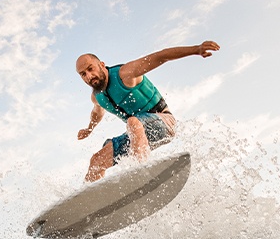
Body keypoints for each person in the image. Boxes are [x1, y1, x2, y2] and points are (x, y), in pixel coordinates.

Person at [75, 41, 220, 181]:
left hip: (164, 123)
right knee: (96, 161)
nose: (88, 76)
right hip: (137, 135)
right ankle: (87, 203)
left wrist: (196, 49)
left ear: (101, 65)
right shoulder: (97, 97)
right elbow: (97, 112)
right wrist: (89, 129)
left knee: (133, 122)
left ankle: (141, 175)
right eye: (83, 74)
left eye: (90, 69)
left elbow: (160, 56)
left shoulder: (125, 74)